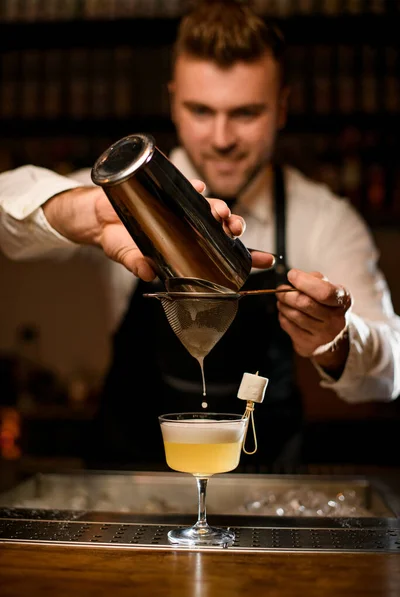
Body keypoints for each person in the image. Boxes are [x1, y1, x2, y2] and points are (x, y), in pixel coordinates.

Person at [0, 0, 399, 472]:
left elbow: (390, 373)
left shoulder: (325, 219)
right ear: (172, 101)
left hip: (263, 496)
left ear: (283, 108)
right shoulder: (127, 204)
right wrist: (80, 210)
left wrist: (337, 339)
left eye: (246, 112)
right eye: (200, 110)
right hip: (130, 486)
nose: (221, 136)